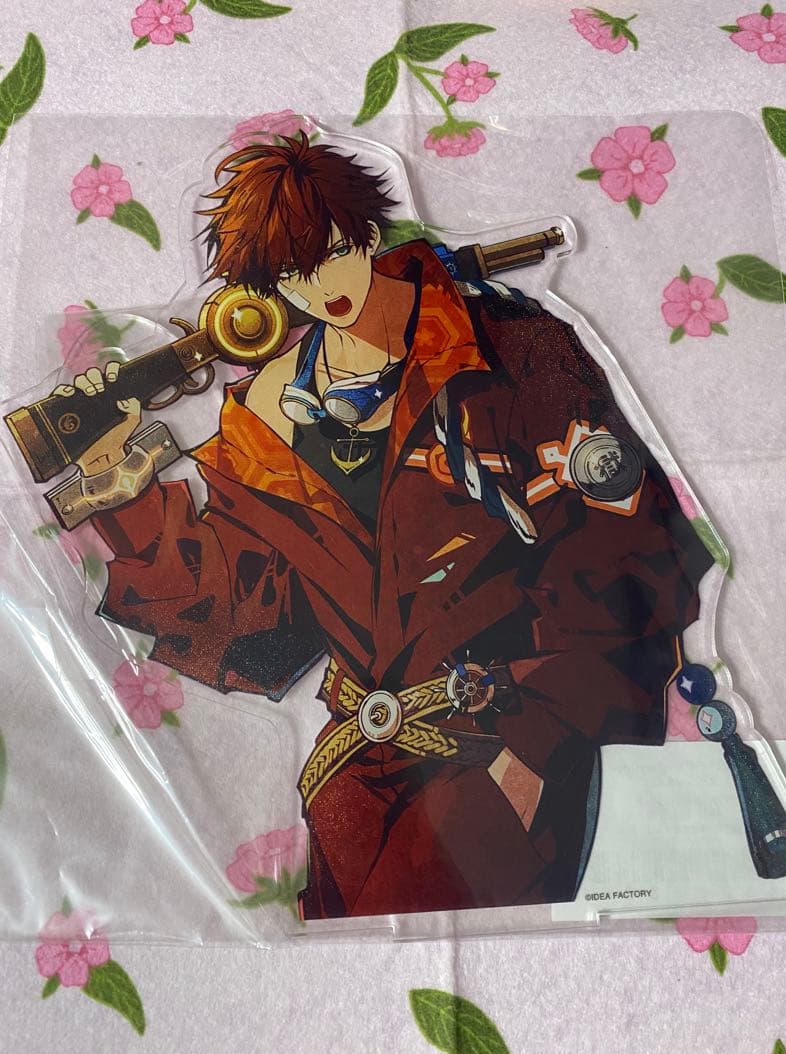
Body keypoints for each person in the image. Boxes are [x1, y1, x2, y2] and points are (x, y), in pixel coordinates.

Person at [57, 135, 712, 920]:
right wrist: (121, 494)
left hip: (511, 746)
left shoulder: (505, 346)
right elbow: (256, 629)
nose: (322, 284)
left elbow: (627, 554)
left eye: (334, 252)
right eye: (292, 272)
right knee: (351, 964)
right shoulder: (264, 417)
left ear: (366, 232)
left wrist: (537, 751)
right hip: (354, 780)